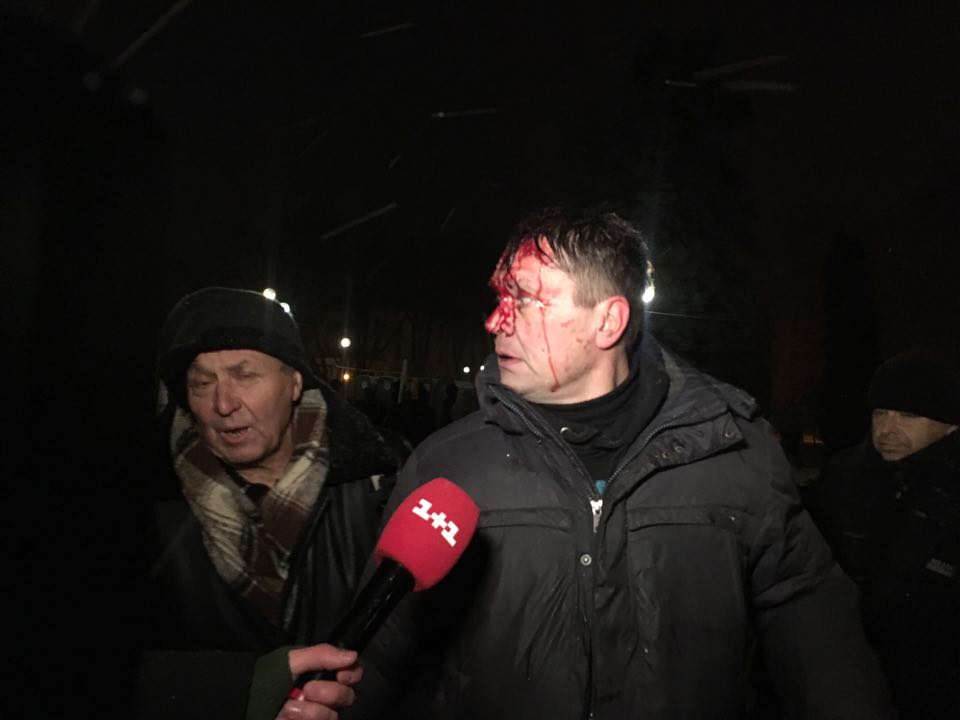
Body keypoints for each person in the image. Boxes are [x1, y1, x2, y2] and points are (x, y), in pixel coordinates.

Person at [281, 206, 894, 719]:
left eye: (526, 302)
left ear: (608, 321)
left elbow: (812, 621)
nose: (495, 322)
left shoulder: (735, 451)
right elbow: (385, 648)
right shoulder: (446, 464)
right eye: (500, 298)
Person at [139, 286, 399, 718]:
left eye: (245, 376)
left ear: (295, 382)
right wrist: (233, 696)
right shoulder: (146, 501)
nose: (224, 403)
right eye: (202, 383)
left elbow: (411, 653)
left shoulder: (380, 486)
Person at [806, 352, 960, 719]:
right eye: (880, 413)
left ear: (950, 425)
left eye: (908, 416)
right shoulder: (845, 476)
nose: (887, 429)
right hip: (848, 679)